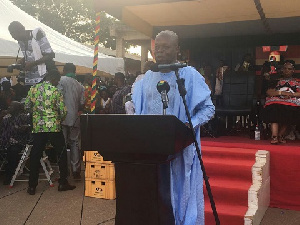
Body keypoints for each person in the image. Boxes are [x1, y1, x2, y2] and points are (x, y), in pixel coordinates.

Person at [132, 30, 215, 225]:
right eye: (157, 47)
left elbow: (208, 109)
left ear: (178, 50)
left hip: (180, 145)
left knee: (179, 189)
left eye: (165, 47)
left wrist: (189, 126)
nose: (159, 51)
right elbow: (138, 111)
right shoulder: (147, 78)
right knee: (155, 192)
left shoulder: (189, 75)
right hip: (152, 149)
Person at [25, 70, 75, 195]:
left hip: (38, 127)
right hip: (53, 127)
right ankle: (63, 182)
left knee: (35, 155)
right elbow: (63, 111)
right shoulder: (55, 91)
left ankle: (32, 186)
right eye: (57, 80)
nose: (57, 83)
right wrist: (58, 120)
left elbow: (26, 107)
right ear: (53, 78)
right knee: (61, 153)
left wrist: (37, 115)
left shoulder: (33, 89)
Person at [262, 60, 300, 144]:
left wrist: (291, 95)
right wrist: (281, 93)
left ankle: (281, 135)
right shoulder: (276, 81)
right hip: (276, 100)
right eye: (285, 68)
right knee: (274, 108)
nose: (286, 70)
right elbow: (269, 92)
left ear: (293, 70)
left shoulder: (297, 81)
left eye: (289, 69)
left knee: (289, 110)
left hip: (291, 100)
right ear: (282, 69)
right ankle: (274, 136)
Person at [58, 63, 85, 180]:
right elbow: (82, 103)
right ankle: (75, 169)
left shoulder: (60, 80)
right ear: (74, 71)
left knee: (62, 144)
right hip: (75, 118)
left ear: (64, 70)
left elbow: (57, 97)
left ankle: (63, 171)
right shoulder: (80, 85)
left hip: (61, 117)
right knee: (75, 143)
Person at [8, 21, 56, 85]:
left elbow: (50, 55)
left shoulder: (37, 35)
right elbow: (34, 54)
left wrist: (32, 64)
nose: (13, 37)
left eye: (13, 34)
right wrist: (22, 60)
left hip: (44, 77)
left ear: (21, 30)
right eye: (11, 34)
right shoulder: (20, 41)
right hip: (31, 80)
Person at [0, 101, 30, 185]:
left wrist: (27, 127)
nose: (9, 107)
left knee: (12, 151)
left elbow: (31, 125)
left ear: (17, 108)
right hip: (4, 141)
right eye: (9, 106)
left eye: (12, 106)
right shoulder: (6, 117)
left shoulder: (23, 117)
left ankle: (9, 176)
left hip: (18, 142)